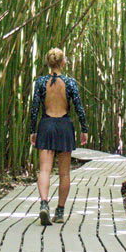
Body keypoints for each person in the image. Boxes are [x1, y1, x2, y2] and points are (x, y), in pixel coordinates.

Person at [28, 47, 88, 225]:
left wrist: (33, 130)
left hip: (46, 125)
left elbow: (34, 109)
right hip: (64, 126)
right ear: (62, 62)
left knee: (45, 169)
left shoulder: (40, 82)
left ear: (48, 63)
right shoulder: (69, 83)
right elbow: (78, 107)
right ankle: (60, 211)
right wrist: (84, 128)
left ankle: (44, 204)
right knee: (64, 173)